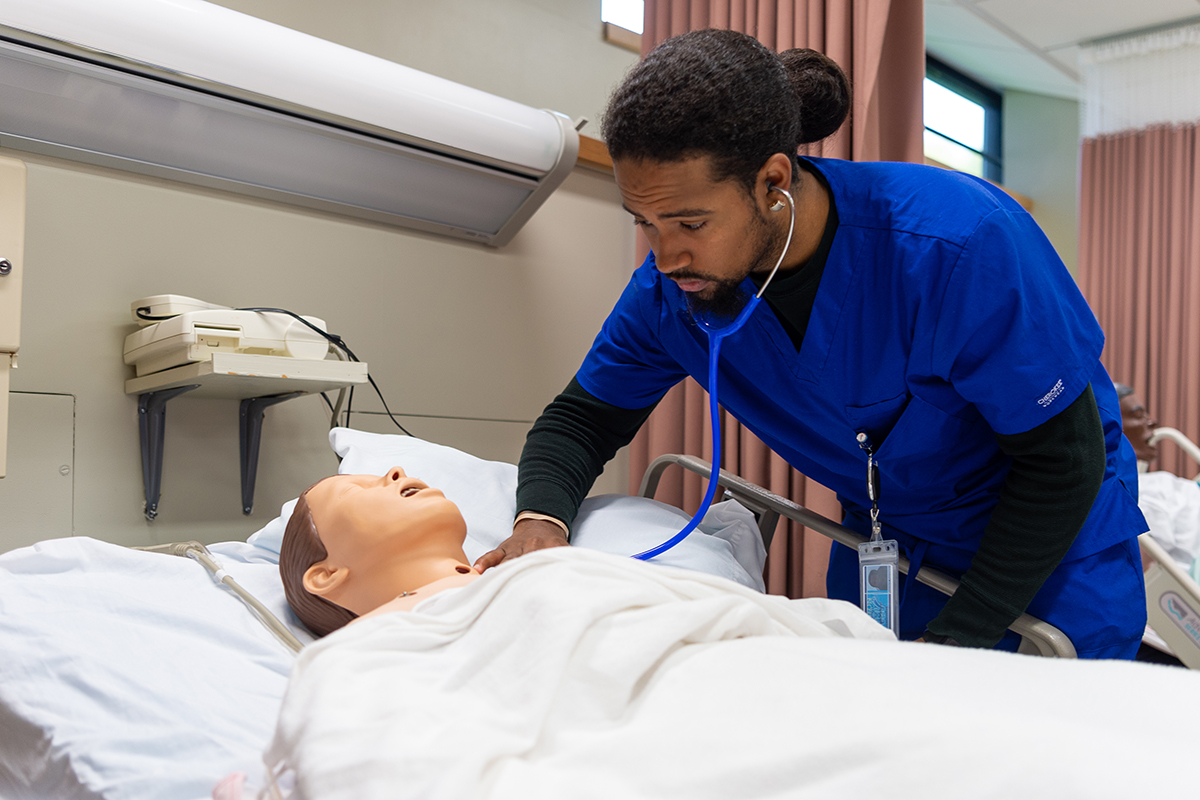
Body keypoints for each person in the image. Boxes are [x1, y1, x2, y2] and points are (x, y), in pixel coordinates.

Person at [476, 28, 1148, 658]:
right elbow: (582, 419)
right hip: (884, 543)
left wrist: (955, 648)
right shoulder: (669, 295)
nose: (667, 254)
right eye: (646, 223)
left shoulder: (959, 246)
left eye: (689, 221)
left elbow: (1061, 463)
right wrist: (542, 521)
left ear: (771, 183)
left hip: (1047, 557)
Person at [281, 467, 480, 637]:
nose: (396, 471)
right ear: (326, 576)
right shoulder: (361, 651)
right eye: (352, 490)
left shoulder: (502, 583)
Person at [1115, 383, 1200, 577]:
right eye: (1138, 416)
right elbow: (1148, 569)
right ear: (1112, 427)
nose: (1152, 422)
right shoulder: (1137, 497)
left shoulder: (1159, 482)